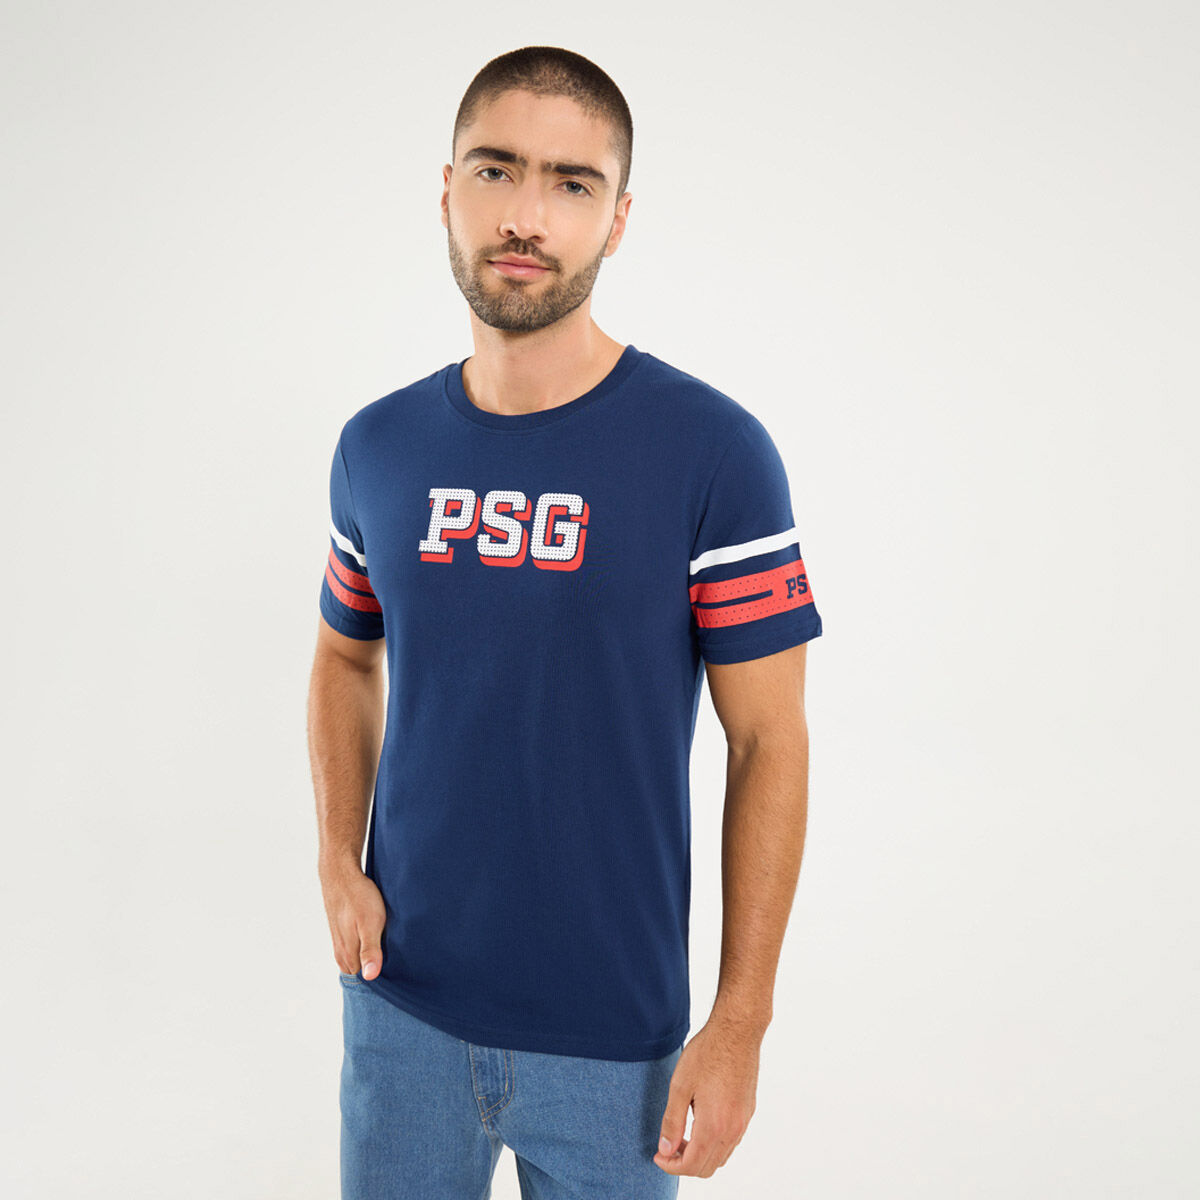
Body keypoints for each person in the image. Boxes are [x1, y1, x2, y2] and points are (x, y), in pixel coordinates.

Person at [307, 44, 823, 1199]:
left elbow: (769, 741)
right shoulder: (377, 447)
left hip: (616, 1045)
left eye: (571, 183)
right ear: (448, 189)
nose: (525, 216)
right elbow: (343, 657)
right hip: (400, 1010)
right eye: (496, 170)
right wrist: (339, 860)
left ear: (618, 218)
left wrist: (740, 1020)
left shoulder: (713, 454)